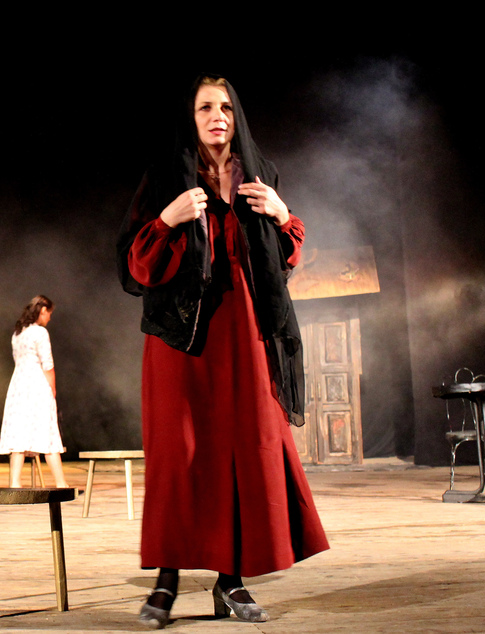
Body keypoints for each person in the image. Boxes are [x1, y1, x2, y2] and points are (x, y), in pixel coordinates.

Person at [117, 74, 329, 628]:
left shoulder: (259, 174)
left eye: (227, 108)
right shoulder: (166, 176)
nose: (218, 116)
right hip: (182, 340)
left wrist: (281, 214)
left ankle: (229, 582)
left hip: (245, 334)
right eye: (206, 107)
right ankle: (166, 581)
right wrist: (168, 219)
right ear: (190, 118)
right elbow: (136, 265)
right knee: (179, 456)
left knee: (241, 450)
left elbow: (284, 257)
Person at [0, 295, 69, 488]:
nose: (50, 318)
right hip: (37, 385)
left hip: (18, 385)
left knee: (19, 432)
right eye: (49, 313)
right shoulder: (40, 332)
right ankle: (61, 483)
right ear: (43, 311)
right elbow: (48, 365)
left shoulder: (18, 333)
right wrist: (52, 390)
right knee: (48, 431)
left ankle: (15, 483)